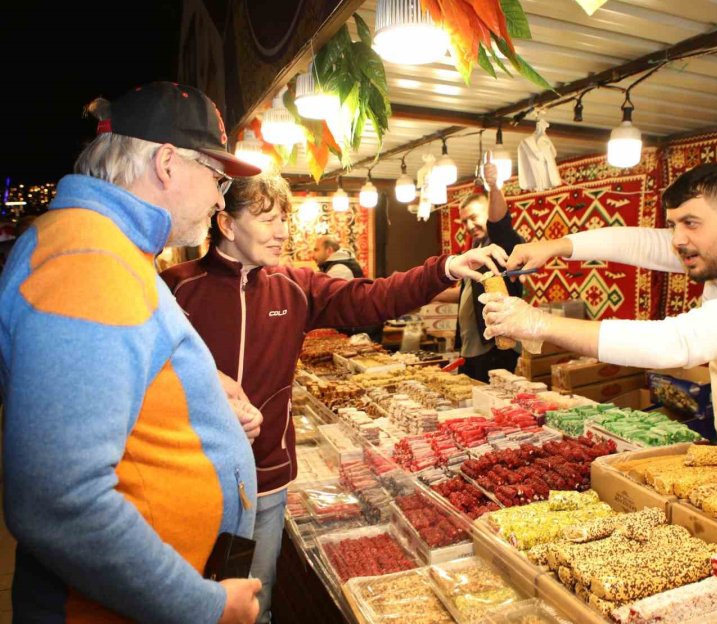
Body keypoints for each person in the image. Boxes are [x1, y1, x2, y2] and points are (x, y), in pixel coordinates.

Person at [161, 173, 507, 623]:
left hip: (267, 481)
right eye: (267, 219)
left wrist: (442, 269)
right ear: (226, 223)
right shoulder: (174, 289)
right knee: (181, 607)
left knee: (255, 608)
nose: (282, 231)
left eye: (284, 218)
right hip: (192, 481)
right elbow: (146, 381)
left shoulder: (294, 285)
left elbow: (374, 298)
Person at [0, 82, 264, 623]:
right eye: (215, 178)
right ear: (167, 162)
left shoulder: (111, 247)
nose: (219, 199)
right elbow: (58, 502)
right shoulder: (88, 261)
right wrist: (206, 607)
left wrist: (198, 391)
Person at [482, 163, 717, 487]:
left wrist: (537, 323)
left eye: (690, 223)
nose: (678, 239)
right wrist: (556, 246)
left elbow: (674, 342)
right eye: (674, 224)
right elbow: (643, 243)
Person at [431, 160, 524, 382]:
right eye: (464, 222)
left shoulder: (504, 244)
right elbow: (465, 295)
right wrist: (422, 292)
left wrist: (493, 187)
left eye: (474, 217)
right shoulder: (476, 249)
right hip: (472, 348)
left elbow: (500, 224)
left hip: (495, 347)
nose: (469, 226)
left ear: (488, 212)